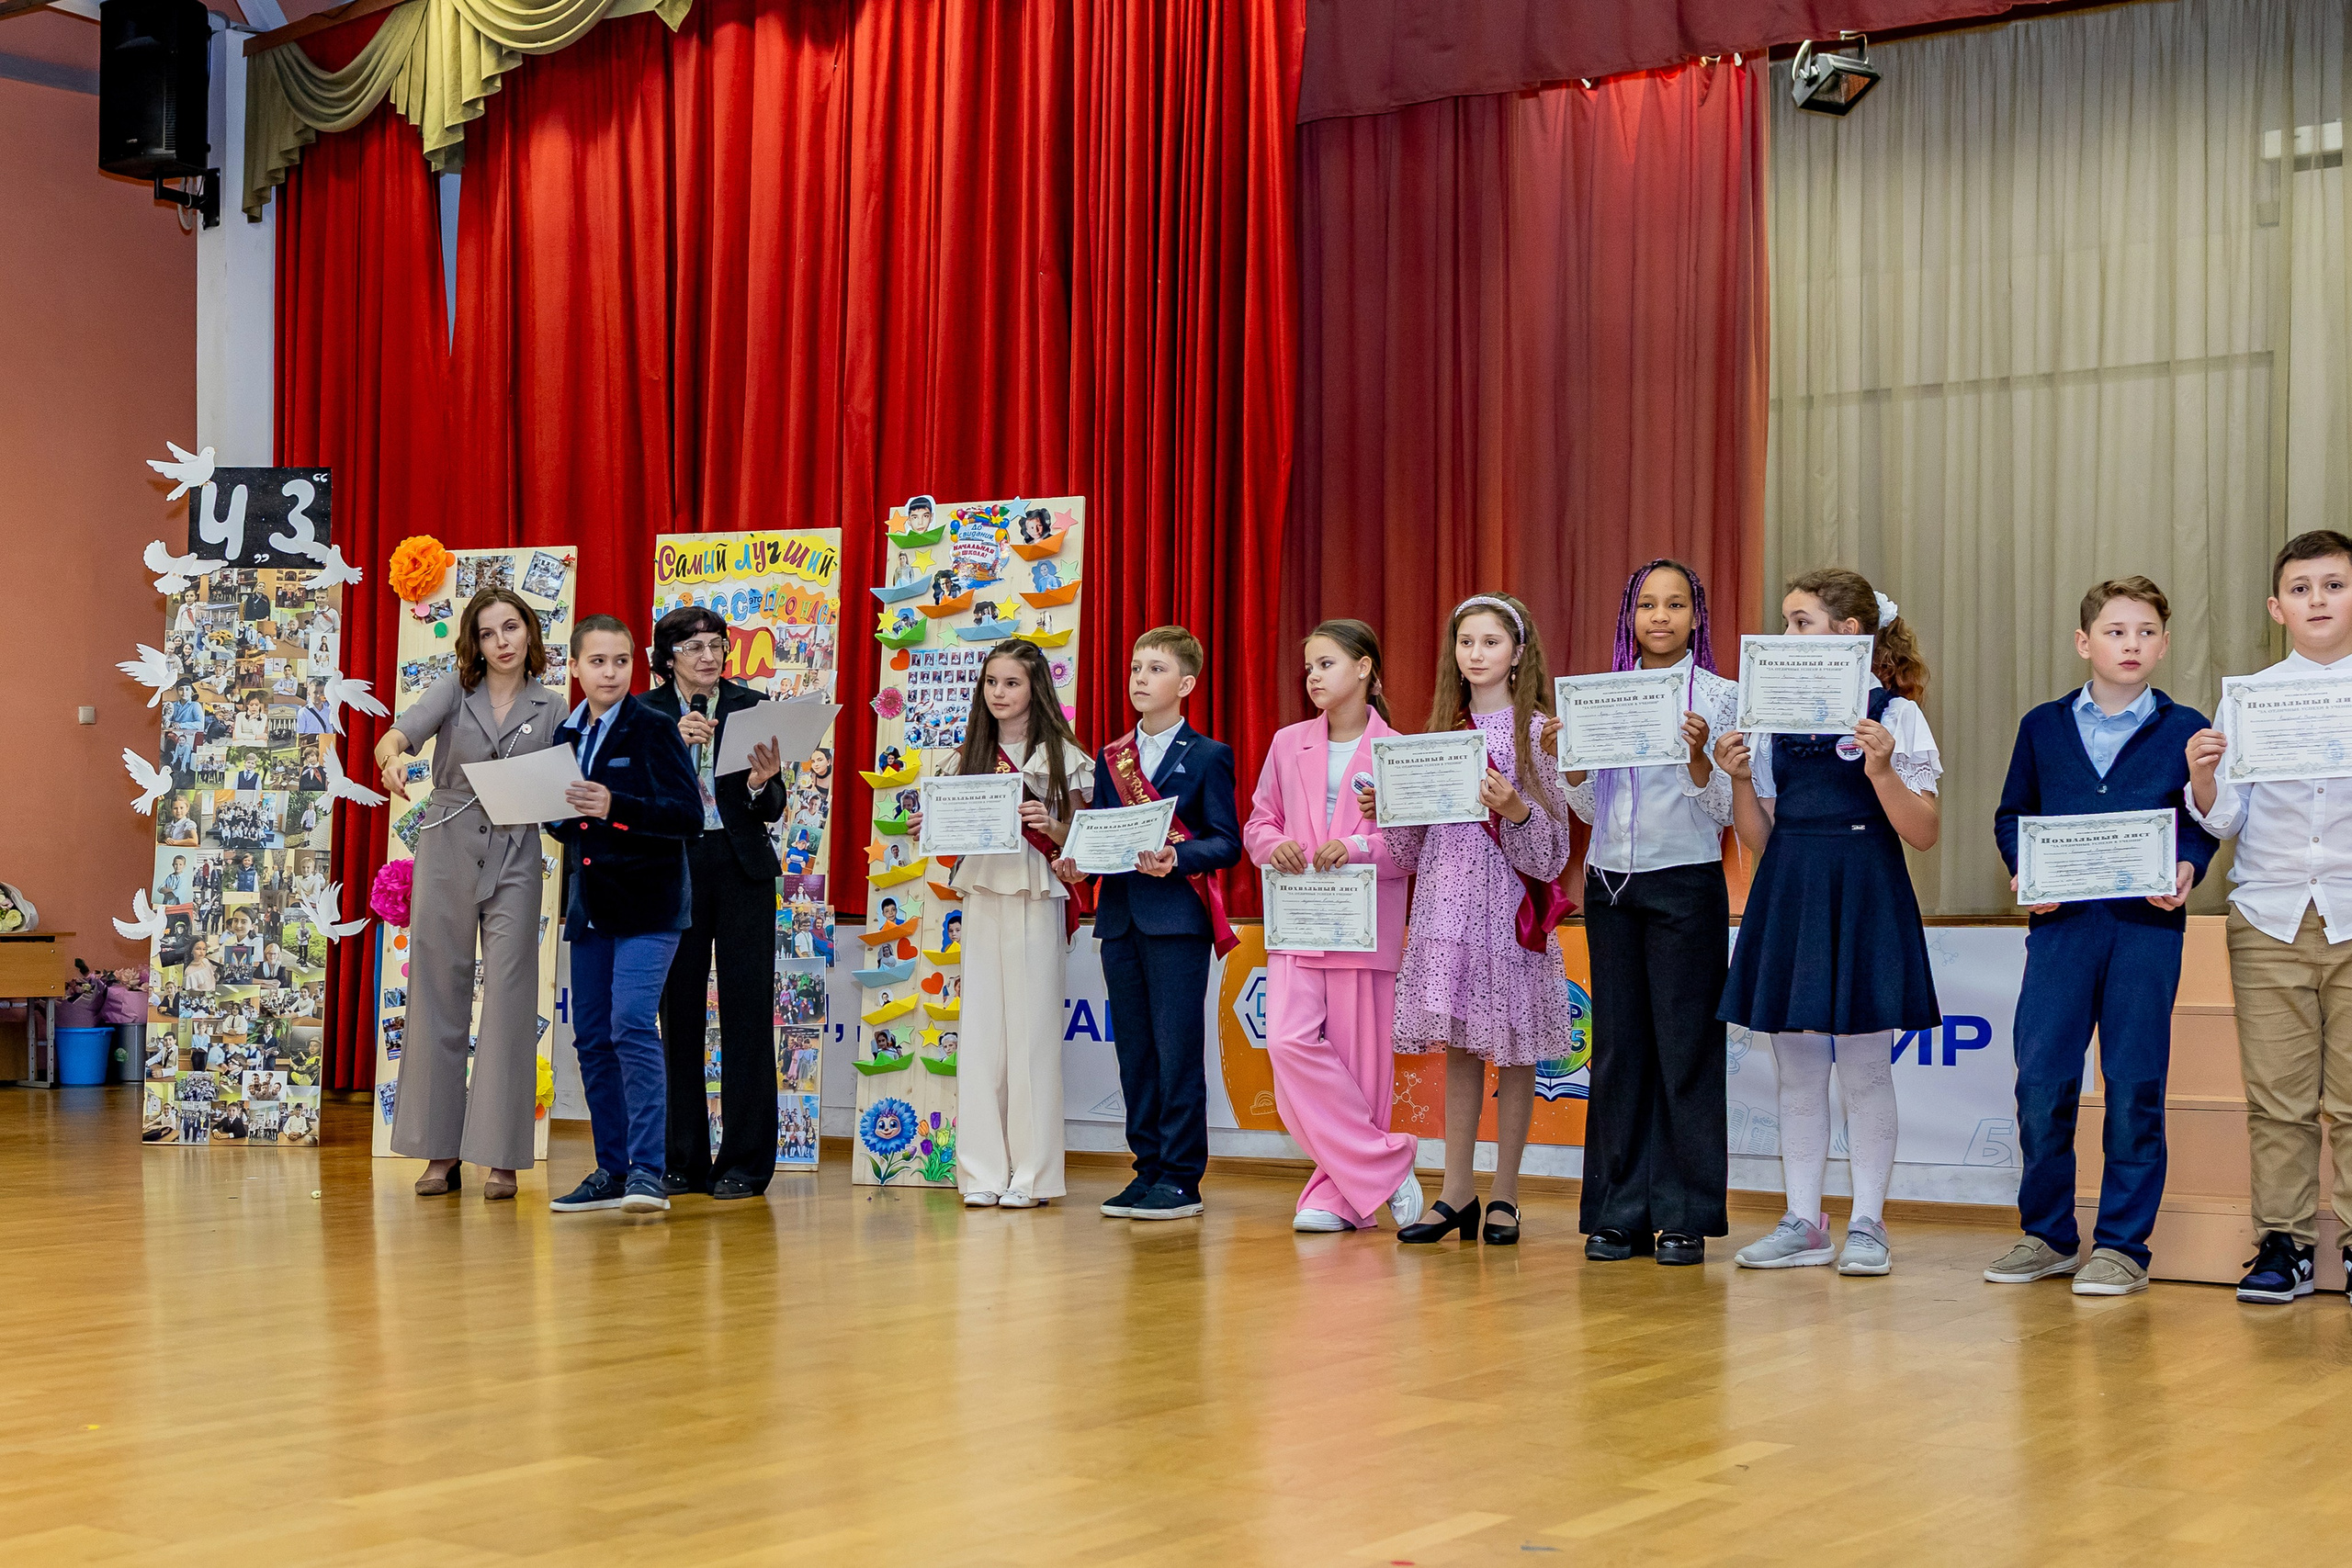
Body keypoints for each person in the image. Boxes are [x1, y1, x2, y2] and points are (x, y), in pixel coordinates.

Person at [1989, 576, 2216, 1297]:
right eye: (2116, 631)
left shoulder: (2187, 728)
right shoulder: (2042, 725)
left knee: (2135, 1082)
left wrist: (2188, 865)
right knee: (2043, 1080)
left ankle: (2123, 1245)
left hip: (2147, 932)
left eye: (2146, 632)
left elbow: (2202, 823)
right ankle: (2048, 1234)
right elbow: (2011, 814)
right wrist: (2027, 869)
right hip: (2061, 932)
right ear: (2084, 642)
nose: (2132, 644)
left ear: (2165, 644)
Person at [1714, 568, 1942, 1277]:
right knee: (1798, 1070)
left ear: (1849, 633)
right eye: (1784, 621)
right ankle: (1803, 1219)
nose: (1787, 635)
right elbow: (1760, 836)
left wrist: (1880, 771)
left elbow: (1926, 830)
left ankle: (1869, 1221)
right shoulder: (1773, 717)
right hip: (1792, 884)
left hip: (1866, 882)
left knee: (1868, 1069)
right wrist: (1741, 778)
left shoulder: (1895, 715)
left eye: (1801, 621)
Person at [1365, 593, 1575, 1247]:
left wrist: (1515, 808)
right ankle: (1455, 1191)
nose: (1476, 654)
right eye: (1466, 643)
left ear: (1517, 653)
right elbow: (1409, 854)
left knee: (1513, 1053)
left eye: (1489, 642)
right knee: (1457, 1050)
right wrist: (1390, 813)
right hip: (1446, 913)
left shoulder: (1539, 734)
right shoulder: (1437, 736)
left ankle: (1506, 1193)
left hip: (1509, 913)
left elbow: (1554, 852)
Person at [1550, 560, 1736, 1266]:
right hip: (1611, 886)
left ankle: (1683, 1214)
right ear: (1630, 615)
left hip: (1687, 883)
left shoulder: (1721, 697)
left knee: (1686, 1049)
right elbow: (1594, 810)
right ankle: (1618, 1212)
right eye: (1647, 604)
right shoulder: (1600, 696)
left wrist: (1698, 759)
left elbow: (1723, 810)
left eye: (1676, 604)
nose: (1660, 616)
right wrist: (1569, 768)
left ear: (1697, 615)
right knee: (1620, 1049)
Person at [2185, 531, 2352, 1304]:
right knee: (2278, 1096)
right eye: (2302, 588)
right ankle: (2284, 1243)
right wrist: (2205, 777)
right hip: (2271, 913)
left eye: (2334, 585)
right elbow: (2226, 823)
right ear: (2275, 607)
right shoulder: (2249, 696)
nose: (2317, 600)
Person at [373, 587, 566, 1201]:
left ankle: (501, 1156)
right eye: (489, 632)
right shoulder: (454, 691)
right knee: (437, 990)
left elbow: (570, 782)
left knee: (509, 996)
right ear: (475, 644)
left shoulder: (554, 705)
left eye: (512, 627)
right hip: (447, 844)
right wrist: (391, 758)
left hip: (517, 850)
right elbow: (397, 735)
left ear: (529, 634)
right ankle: (441, 1150)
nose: (502, 640)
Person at [1241, 619, 1424, 1234]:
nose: (1314, 676)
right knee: (1288, 1042)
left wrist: (1356, 845)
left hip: (1362, 926)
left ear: (1365, 667)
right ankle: (1387, 1166)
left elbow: (1410, 848)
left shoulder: (1397, 750)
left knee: (1358, 1065)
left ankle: (1337, 1196)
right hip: (1298, 919)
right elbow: (1258, 823)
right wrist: (1275, 847)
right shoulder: (1287, 742)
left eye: (1326, 664)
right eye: (1309, 667)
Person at [1057, 628, 1241, 1223]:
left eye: (1155, 668)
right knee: (1134, 1052)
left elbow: (1226, 841)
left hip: (1177, 922)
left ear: (1185, 683)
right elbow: (1103, 831)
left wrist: (1176, 857)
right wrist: (1076, 857)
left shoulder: (1209, 755)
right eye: (1136, 666)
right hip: (1119, 919)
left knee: (1176, 1050)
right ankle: (1148, 1168)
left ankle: (1182, 1176)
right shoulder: (1111, 758)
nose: (1140, 677)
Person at [912, 641, 1091, 1210]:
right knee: (983, 1034)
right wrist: (931, 822)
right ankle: (982, 1172)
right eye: (991, 682)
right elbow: (952, 833)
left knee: (1033, 1035)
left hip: (1036, 890)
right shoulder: (968, 755)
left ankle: (1033, 1177)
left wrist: (1055, 824)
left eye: (1011, 683)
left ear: (1035, 687)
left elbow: (1083, 844)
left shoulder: (1064, 755)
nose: (999, 694)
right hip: (984, 892)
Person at [548, 615, 704, 1217]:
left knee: (631, 1023)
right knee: (590, 1035)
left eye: (620, 661)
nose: (609, 672)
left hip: (650, 905)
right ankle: (610, 1169)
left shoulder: (654, 728)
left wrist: (617, 805)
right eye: (597, 661)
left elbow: (686, 816)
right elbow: (566, 821)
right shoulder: (566, 733)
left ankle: (646, 1169)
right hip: (590, 907)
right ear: (575, 667)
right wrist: (542, 806)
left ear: (635, 666)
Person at [642, 605, 790, 1201]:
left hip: (740, 867)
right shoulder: (644, 713)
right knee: (677, 1015)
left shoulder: (752, 706)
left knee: (748, 1013)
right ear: (668, 657)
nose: (708, 656)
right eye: (693, 646)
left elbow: (772, 802)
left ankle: (745, 1163)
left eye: (716, 644)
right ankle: (682, 1160)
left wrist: (761, 783)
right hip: (673, 868)